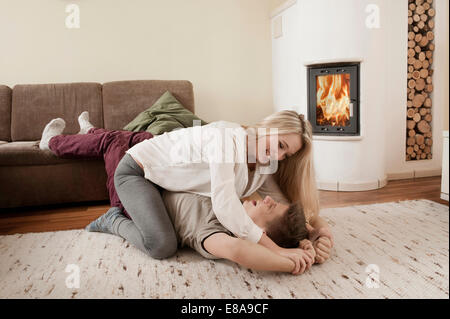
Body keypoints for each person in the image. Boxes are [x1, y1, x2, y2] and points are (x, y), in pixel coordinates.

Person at [39, 109, 333, 268]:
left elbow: (285, 206)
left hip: (164, 181)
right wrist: (276, 250)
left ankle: (92, 132)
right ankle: (113, 219)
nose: (280, 156)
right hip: (136, 172)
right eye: (280, 145)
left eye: (287, 154)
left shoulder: (264, 163)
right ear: (267, 127)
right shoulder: (227, 138)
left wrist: (317, 232)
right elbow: (224, 204)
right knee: (161, 246)